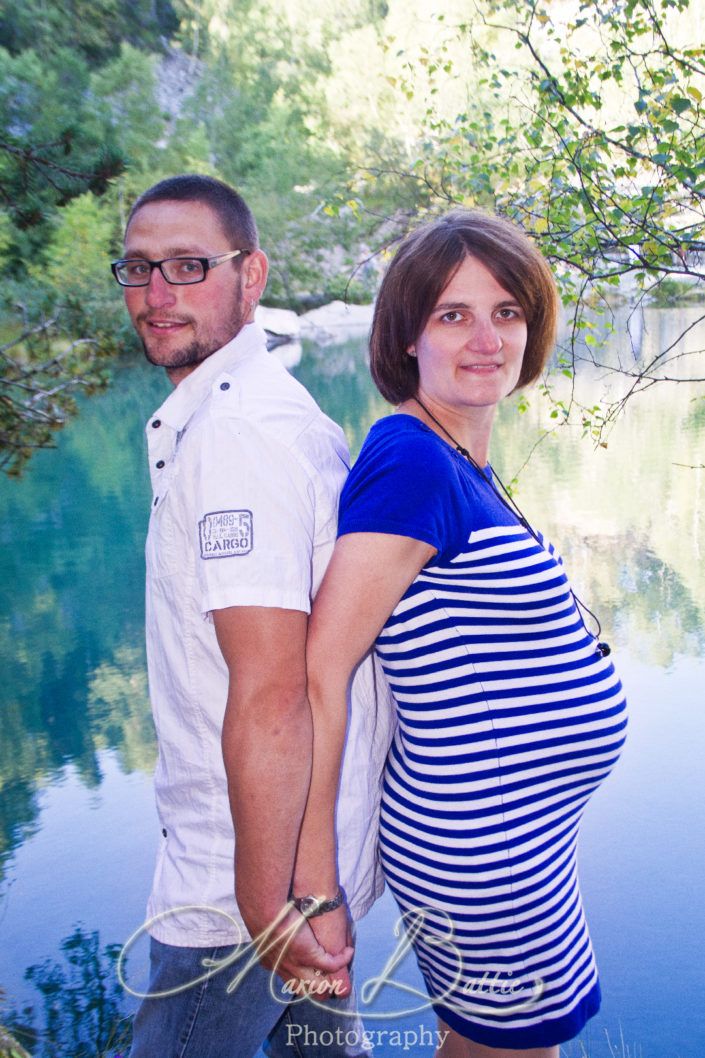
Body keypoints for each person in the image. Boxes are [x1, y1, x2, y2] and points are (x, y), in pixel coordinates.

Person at [294, 209, 628, 1056]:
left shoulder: (457, 458)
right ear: (407, 335)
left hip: (522, 844)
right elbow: (318, 673)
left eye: (506, 311)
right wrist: (311, 881)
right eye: (452, 315)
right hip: (483, 858)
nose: (486, 339)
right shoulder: (410, 460)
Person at [111, 173, 395, 1058]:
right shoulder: (253, 411)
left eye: (189, 267)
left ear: (253, 274)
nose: (157, 295)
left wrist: (266, 906)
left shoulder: (239, 437)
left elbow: (271, 689)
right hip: (308, 863)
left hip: (242, 891)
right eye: (138, 269)